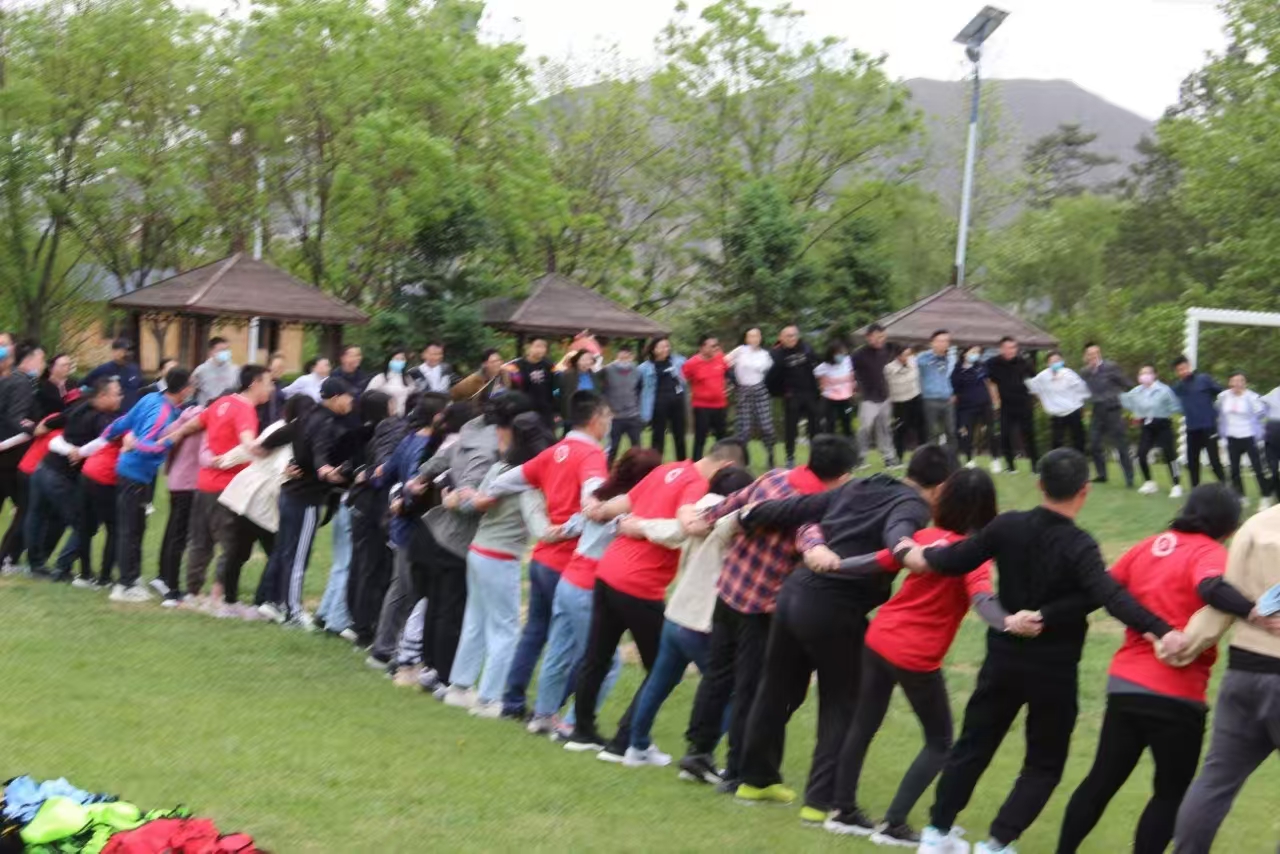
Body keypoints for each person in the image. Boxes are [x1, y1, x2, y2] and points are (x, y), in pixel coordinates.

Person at [899, 448, 1191, 854]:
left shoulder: (1008, 527)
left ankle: (937, 832)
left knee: (975, 744)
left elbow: (953, 559)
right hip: (1053, 669)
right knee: (1044, 762)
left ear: (1039, 484)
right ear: (1084, 491)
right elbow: (1109, 595)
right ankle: (997, 842)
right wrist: (1162, 631)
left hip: (1003, 657)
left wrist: (910, 551)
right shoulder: (1079, 545)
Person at [728, 446, 953, 816]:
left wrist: (750, 513)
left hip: (793, 594)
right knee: (841, 701)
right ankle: (821, 800)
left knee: (774, 687)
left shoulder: (862, 484)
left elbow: (798, 509)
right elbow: (899, 532)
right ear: (942, 486)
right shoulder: (913, 506)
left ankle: (755, 780)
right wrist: (905, 548)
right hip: (833, 607)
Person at [814, 468, 1013, 845]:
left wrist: (837, 563)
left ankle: (843, 811)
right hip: (915, 656)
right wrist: (1008, 622)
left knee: (864, 723)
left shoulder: (925, 537)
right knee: (940, 740)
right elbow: (983, 601)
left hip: (879, 637)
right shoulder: (973, 558)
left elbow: (879, 559)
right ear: (988, 510)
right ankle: (894, 824)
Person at [1058, 484, 1257, 854]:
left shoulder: (1148, 545)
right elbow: (1211, 586)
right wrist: (1253, 611)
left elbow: (1100, 590)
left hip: (1125, 684)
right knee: (1170, 794)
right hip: (1177, 693)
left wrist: (1048, 615)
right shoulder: (1210, 552)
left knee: (1100, 781)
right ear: (1228, 526)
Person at [677, 435, 858, 791]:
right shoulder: (813, 508)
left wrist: (705, 517)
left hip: (728, 591)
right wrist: (822, 554)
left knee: (717, 675)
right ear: (841, 477)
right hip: (759, 609)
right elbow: (810, 538)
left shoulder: (773, 477)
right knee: (750, 690)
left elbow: (732, 505)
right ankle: (736, 771)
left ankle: (698, 751)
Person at [560, 439, 746, 758]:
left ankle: (582, 731)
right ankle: (628, 741)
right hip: (640, 583)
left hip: (609, 571)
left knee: (597, 655)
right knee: (663, 667)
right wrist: (644, 527)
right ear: (728, 466)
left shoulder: (667, 469)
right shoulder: (698, 486)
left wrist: (600, 510)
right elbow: (687, 526)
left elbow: (624, 503)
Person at [470, 391, 611, 719]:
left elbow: (505, 481)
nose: (609, 424)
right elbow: (594, 502)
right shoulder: (591, 456)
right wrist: (582, 519)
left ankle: (514, 701)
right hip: (570, 565)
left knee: (535, 632)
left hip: (542, 561)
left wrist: (485, 495)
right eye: (608, 417)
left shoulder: (553, 452)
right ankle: (558, 708)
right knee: (582, 644)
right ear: (595, 419)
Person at [618, 465, 756, 767]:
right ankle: (701, 755)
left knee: (659, 681)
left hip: (676, 613)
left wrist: (640, 525)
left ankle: (636, 746)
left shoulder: (696, 513)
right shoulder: (732, 520)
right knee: (730, 690)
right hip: (702, 622)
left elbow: (671, 530)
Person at [523, 447, 660, 736]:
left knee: (559, 651)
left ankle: (543, 716)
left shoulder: (597, 493)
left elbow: (573, 525)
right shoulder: (630, 508)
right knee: (606, 662)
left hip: (568, 580)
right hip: (589, 586)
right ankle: (573, 722)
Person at [1169, 502, 1280, 854]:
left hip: (1244, 671)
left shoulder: (1257, 525)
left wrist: (1185, 643)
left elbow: (1225, 598)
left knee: (1215, 781)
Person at [412, 392, 534, 692]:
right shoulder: (492, 446)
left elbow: (443, 457)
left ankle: (432, 667)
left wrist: (423, 476)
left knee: (441, 603)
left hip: (438, 533)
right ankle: (442, 674)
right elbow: (470, 490)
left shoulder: (471, 428)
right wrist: (457, 499)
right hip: (460, 537)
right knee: (453, 609)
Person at [440, 411, 554, 717]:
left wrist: (459, 498)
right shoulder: (529, 482)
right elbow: (536, 522)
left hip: (479, 551)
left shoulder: (500, 468)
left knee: (476, 621)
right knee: (506, 628)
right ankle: (489, 699)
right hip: (500, 557)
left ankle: (460, 687)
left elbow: (476, 501)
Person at [258, 376, 354, 626]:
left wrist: (274, 452)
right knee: (298, 556)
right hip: (306, 498)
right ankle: (294, 611)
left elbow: (276, 437)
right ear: (335, 398)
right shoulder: (326, 422)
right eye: (348, 397)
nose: (351, 401)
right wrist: (324, 470)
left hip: (289, 495)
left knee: (284, 551)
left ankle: (274, 602)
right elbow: (320, 450)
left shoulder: (307, 416)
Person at [367, 393, 451, 673]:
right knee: (410, 592)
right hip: (414, 527)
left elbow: (384, 474)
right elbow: (416, 486)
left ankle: (384, 648)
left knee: (399, 589)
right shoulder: (427, 447)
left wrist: (388, 489)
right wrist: (404, 501)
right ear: (438, 417)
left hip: (402, 527)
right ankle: (395, 652)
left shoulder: (410, 439)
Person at [180, 365, 275, 604]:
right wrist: (257, 448)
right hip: (229, 487)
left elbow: (195, 423)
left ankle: (192, 592)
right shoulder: (245, 409)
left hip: (204, 483)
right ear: (255, 383)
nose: (271, 388)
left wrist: (170, 436)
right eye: (269, 382)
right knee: (231, 543)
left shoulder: (221, 403)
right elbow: (246, 440)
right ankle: (218, 594)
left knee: (200, 540)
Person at [106, 367, 192, 602]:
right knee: (130, 529)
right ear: (184, 389)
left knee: (136, 528)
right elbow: (144, 444)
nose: (193, 389)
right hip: (134, 475)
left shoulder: (151, 398)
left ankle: (131, 578)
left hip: (135, 475)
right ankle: (124, 585)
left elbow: (125, 421)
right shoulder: (163, 413)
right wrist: (168, 441)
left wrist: (105, 436)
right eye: (191, 385)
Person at [26, 379, 123, 580]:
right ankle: (63, 567)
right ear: (102, 396)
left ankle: (36, 564)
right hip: (61, 477)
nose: (120, 397)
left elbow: (52, 423)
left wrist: (58, 443)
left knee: (37, 515)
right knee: (85, 524)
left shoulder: (79, 406)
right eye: (116, 394)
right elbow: (105, 441)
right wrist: (75, 451)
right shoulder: (100, 419)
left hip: (43, 468)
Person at [155, 400, 205, 605]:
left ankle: (165, 579)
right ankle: (172, 590)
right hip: (190, 484)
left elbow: (166, 441)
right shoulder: (203, 422)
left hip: (176, 482)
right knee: (181, 537)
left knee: (173, 534)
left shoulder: (179, 421)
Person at [0, 343, 43, 569]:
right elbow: (16, 417)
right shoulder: (21, 383)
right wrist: (35, 428)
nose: (43, 365)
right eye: (41, 359)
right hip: (10, 457)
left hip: (6, 455)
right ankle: (7, 556)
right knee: (26, 508)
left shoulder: (8, 379)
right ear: (29, 359)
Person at [1122, 364, 1184, 499]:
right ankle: (1149, 483)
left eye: (1147, 373)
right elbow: (1126, 400)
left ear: (1154, 375)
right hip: (1147, 425)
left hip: (1163, 424)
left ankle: (1176, 485)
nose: (1144, 376)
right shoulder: (1138, 391)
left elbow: (1176, 406)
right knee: (1141, 454)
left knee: (1170, 455)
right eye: (1141, 373)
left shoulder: (1164, 390)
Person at [1082, 342, 1135, 487]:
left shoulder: (1111, 367)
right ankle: (1101, 474)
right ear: (1085, 357)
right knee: (1094, 444)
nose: (1092, 357)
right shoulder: (1085, 372)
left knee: (1120, 445)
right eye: (1089, 355)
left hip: (1113, 410)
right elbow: (1080, 390)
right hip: (1097, 411)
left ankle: (1129, 478)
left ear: (1099, 354)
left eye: (1095, 354)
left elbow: (1127, 383)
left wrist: (1128, 399)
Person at [767, 325, 820, 469]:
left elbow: (818, 366)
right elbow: (770, 378)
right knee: (791, 428)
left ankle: (815, 457)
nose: (792, 339)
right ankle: (790, 457)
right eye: (788, 336)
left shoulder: (806, 348)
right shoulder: (776, 354)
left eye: (794, 335)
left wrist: (818, 389)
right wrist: (780, 392)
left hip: (810, 393)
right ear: (781, 338)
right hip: (791, 395)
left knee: (814, 427)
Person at [984, 336, 1037, 475]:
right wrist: (995, 399)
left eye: (1013, 347)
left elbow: (1034, 380)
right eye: (1007, 348)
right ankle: (1010, 466)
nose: (1010, 350)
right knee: (1005, 435)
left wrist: (1036, 398)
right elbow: (988, 381)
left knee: (1029, 435)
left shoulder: (1024, 362)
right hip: (1005, 405)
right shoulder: (993, 363)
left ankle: (1035, 466)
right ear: (1001, 349)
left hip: (1023, 403)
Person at [1171, 356, 1226, 487]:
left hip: (1209, 427)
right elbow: (1166, 399)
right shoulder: (1178, 387)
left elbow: (1222, 393)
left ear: (1189, 366)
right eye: (1179, 370)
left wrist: (1216, 412)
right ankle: (1195, 491)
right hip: (1192, 429)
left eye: (1183, 368)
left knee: (1214, 461)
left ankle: (1226, 488)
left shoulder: (1204, 379)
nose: (1182, 372)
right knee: (1192, 463)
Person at [1216, 371, 1270, 506]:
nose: (1237, 384)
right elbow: (1218, 411)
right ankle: (1241, 496)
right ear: (1230, 383)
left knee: (1257, 468)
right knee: (1234, 470)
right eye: (1234, 381)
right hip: (1232, 438)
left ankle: (1265, 496)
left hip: (1250, 437)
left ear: (1245, 383)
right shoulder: (1223, 396)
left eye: (1240, 381)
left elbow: (1263, 412)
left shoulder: (1252, 397)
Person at [727, 328, 775, 465]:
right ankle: (743, 459)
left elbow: (767, 372)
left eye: (757, 336)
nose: (754, 339)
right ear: (746, 339)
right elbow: (724, 363)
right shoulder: (740, 351)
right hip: (743, 390)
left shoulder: (765, 355)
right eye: (751, 336)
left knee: (766, 427)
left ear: (760, 338)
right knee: (744, 428)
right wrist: (732, 381)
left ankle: (770, 453)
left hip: (760, 390)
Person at [852, 324, 897, 468]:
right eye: (876, 337)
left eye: (882, 337)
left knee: (884, 428)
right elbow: (849, 373)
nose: (879, 340)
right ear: (868, 337)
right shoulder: (858, 354)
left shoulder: (889, 351)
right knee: (864, 427)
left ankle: (888, 457)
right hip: (867, 397)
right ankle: (861, 457)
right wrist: (856, 389)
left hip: (885, 395)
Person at [1026, 352, 1090, 453]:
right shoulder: (1043, 376)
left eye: (1058, 360)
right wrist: (1043, 400)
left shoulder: (1069, 373)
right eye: (1053, 361)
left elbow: (1082, 388)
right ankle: (1056, 464)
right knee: (1056, 440)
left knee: (1078, 438)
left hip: (1073, 410)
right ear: (1048, 363)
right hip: (1057, 413)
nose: (1056, 363)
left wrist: (1081, 404)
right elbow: (1032, 386)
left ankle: (1079, 461)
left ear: (1062, 361)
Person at [639, 337, 687, 462]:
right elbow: (638, 386)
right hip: (658, 402)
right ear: (654, 350)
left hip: (677, 401)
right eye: (663, 346)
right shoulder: (645, 368)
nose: (666, 349)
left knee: (680, 434)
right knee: (658, 436)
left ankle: (682, 463)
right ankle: (655, 465)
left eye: (667, 346)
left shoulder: (678, 361)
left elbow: (689, 370)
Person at [682, 335, 730, 462]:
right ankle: (696, 463)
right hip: (702, 406)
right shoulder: (691, 363)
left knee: (721, 437)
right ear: (702, 347)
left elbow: (727, 373)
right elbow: (682, 380)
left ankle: (721, 462)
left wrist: (727, 387)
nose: (716, 348)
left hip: (720, 405)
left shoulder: (720, 358)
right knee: (700, 437)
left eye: (717, 345)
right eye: (712, 346)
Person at [953, 345, 997, 468]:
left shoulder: (981, 366)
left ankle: (995, 460)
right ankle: (969, 460)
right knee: (967, 433)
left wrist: (994, 400)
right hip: (966, 407)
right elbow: (955, 389)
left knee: (991, 431)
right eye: (973, 352)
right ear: (965, 353)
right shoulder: (957, 370)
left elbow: (989, 383)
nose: (976, 354)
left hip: (985, 404)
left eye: (978, 352)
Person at [600, 344, 642, 467]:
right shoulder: (607, 370)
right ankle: (606, 470)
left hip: (633, 415)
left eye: (628, 355)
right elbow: (601, 391)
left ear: (632, 357)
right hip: (614, 416)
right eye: (622, 354)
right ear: (618, 355)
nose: (625, 357)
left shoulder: (637, 371)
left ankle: (637, 470)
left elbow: (639, 390)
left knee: (637, 447)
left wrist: (638, 409)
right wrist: (606, 408)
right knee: (613, 447)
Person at [917, 330, 957, 447]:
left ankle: (951, 460)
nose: (943, 344)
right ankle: (932, 461)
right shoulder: (923, 358)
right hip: (930, 399)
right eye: (940, 341)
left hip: (947, 400)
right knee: (932, 432)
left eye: (946, 341)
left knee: (951, 431)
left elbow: (954, 377)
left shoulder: (951, 359)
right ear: (932, 343)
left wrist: (954, 393)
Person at [886, 344, 923, 462]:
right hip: (899, 401)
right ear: (897, 355)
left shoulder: (914, 362)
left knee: (920, 428)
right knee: (900, 429)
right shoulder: (889, 368)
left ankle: (922, 454)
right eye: (904, 355)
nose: (907, 357)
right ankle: (899, 457)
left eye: (909, 354)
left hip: (915, 398)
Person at [82, 338, 142, 411]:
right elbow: (84, 386)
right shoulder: (103, 369)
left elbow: (139, 389)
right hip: (112, 415)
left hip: (132, 413)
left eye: (129, 351)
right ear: (114, 352)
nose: (127, 354)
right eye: (123, 351)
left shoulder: (134, 369)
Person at [814, 339, 854, 437]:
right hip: (830, 399)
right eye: (838, 353)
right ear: (831, 354)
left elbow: (853, 374)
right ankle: (829, 447)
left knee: (847, 422)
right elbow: (816, 377)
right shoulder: (823, 367)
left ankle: (849, 445)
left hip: (846, 399)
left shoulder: (848, 361)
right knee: (830, 423)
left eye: (842, 352)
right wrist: (821, 385)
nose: (841, 355)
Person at [514, 338, 557, 428]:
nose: (541, 350)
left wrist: (555, 408)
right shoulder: (518, 365)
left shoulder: (549, 365)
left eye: (543, 347)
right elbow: (515, 387)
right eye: (537, 346)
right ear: (529, 347)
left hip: (546, 409)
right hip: (525, 410)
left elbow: (555, 387)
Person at [189, 337, 239, 406]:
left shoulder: (235, 370)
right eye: (221, 350)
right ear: (211, 352)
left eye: (227, 349)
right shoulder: (201, 371)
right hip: (206, 410)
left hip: (226, 410)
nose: (225, 353)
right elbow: (191, 391)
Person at [558, 349, 599, 426]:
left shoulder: (594, 376)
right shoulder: (567, 375)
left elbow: (598, 394)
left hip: (589, 415)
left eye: (589, 360)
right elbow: (559, 394)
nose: (586, 363)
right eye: (583, 360)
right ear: (577, 361)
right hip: (571, 415)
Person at [366, 351, 412, 416]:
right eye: (396, 359)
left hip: (402, 417)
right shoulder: (380, 378)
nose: (399, 362)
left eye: (402, 359)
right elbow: (367, 397)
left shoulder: (408, 379)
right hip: (383, 416)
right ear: (389, 361)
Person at [35, 353, 73, 420]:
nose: (67, 368)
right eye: (63, 365)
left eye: (69, 365)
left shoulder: (73, 383)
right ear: (51, 368)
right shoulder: (41, 386)